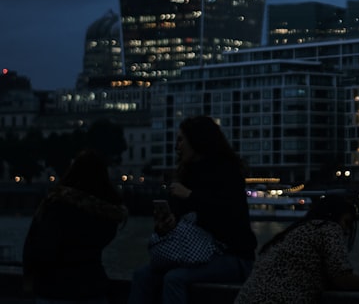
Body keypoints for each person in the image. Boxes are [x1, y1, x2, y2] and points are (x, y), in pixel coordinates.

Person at [128, 115, 257, 304]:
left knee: (175, 279)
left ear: (197, 141)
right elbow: (183, 222)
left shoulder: (227, 173)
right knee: (142, 275)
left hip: (234, 256)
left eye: (181, 140)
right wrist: (166, 225)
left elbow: (227, 216)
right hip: (194, 254)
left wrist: (190, 196)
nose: (177, 146)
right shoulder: (186, 175)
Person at [22, 149, 129, 304]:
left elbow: (36, 247)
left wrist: (29, 279)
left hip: (54, 289)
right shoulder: (107, 212)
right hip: (92, 288)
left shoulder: (56, 205)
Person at [234, 193, 359, 303]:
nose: (346, 230)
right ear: (333, 216)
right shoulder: (328, 228)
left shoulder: (295, 232)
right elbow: (342, 278)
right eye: (346, 222)